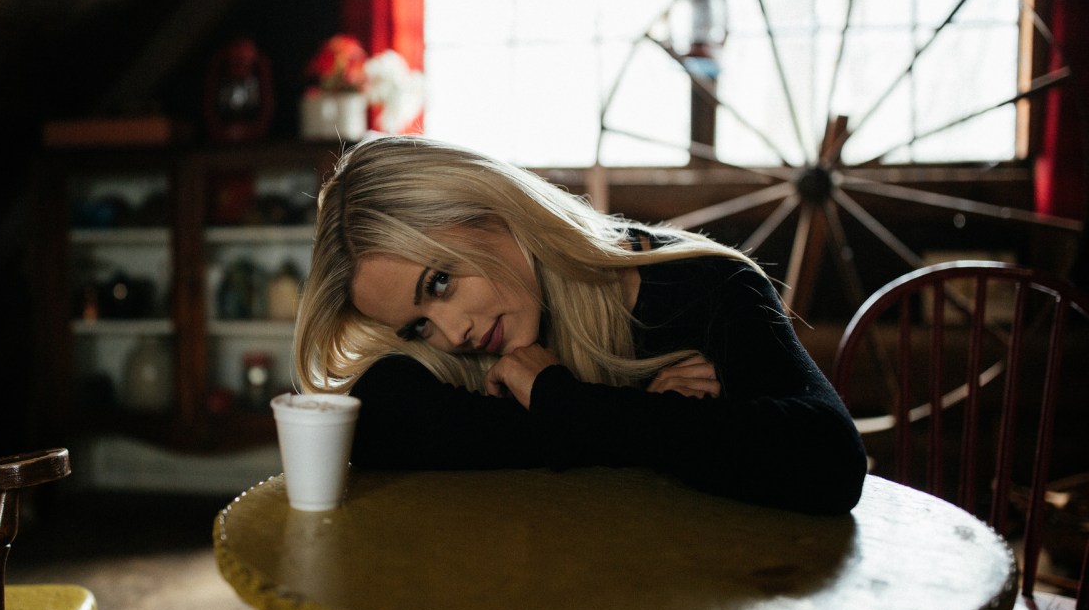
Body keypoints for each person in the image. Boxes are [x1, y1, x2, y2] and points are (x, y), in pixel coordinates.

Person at [293, 135, 866, 515]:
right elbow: (377, 421)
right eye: (418, 326)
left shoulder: (706, 285)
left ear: (491, 209)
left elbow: (829, 463)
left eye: (439, 282)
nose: (451, 334)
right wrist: (606, 412)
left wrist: (566, 403)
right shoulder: (465, 352)